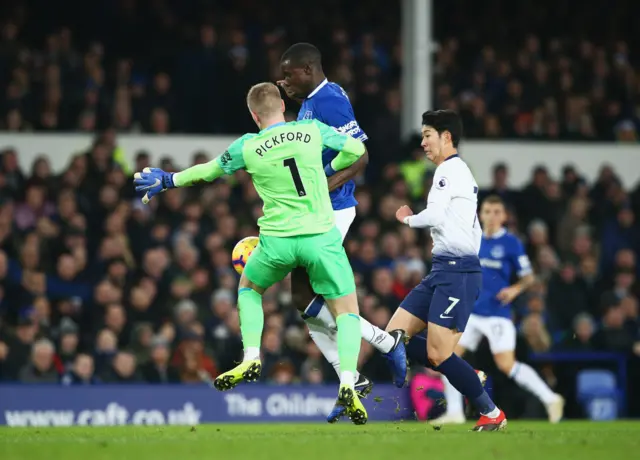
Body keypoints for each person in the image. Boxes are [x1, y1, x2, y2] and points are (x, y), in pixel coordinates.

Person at [134, 82, 370, 425]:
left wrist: (169, 180)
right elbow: (354, 151)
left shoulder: (248, 146)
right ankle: (348, 380)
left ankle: (251, 355)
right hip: (320, 237)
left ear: (254, 114)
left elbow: (210, 171)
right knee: (347, 311)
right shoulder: (310, 129)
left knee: (249, 288)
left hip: (276, 241)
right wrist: (325, 172)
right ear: (283, 109)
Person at [278, 42, 407, 422]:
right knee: (302, 299)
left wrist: (324, 189)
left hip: (333, 211)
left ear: (307, 69)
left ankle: (384, 345)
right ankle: (356, 373)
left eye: (289, 74)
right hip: (318, 212)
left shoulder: (330, 100)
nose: (285, 81)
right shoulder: (309, 103)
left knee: (317, 298)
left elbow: (361, 157)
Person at [389, 109, 507, 431]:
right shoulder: (458, 173)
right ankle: (468, 375)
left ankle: (491, 413)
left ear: (446, 137)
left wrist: (407, 219)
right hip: (444, 268)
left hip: (457, 273)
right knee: (392, 338)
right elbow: (474, 230)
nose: (424, 143)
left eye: (428, 135)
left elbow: (436, 216)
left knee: (438, 354)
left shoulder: (449, 170)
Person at [436, 195, 565, 424]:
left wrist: (514, 290)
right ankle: (455, 412)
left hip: (497, 313)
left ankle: (550, 398)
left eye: (497, 212)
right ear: (480, 214)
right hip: (471, 312)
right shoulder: (472, 238)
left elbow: (528, 277)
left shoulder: (511, 242)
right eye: (488, 211)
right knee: (446, 356)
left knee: (507, 364)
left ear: (504, 216)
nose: (492, 216)